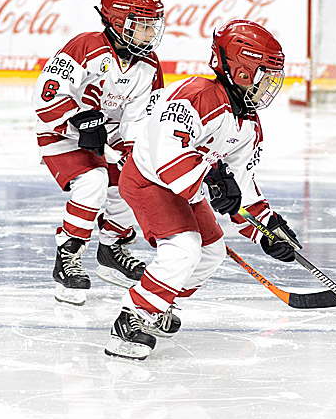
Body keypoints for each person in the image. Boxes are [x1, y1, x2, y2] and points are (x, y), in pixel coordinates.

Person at [105, 19, 297, 360]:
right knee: (184, 248)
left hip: (185, 189)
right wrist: (211, 179)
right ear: (242, 71)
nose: (271, 85)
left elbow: (242, 184)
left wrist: (267, 229)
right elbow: (167, 157)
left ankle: (159, 302)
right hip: (149, 181)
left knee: (211, 252)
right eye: (266, 75)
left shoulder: (248, 123)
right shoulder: (197, 95)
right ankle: (132, 316)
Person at [33, 0, 166, 306]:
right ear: (118, 22)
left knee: (135, 183)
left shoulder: (149, 66)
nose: (150, 34)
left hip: (109, 135)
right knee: (93, 181)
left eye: (153, 25)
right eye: (142, 25)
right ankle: (68, 257)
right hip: (61, 133)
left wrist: (136, 154)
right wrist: (79, 121)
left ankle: (111, 248)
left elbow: (139, 120)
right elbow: (46, 96)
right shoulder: (86, 46)